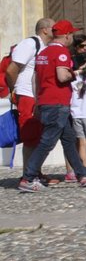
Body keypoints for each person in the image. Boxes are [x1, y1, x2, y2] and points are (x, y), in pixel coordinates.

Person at [18, 20, 86, 190]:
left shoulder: (43, 53)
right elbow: (62, 76)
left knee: (68, 140)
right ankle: (28, 178)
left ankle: (82, 175)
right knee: (47, 142)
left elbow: (35, 79)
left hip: (46, 101)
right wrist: (77, 72)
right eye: (72, 35)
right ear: (67, 35)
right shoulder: (61, 53)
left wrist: (38, 102)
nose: (72, 38)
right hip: (57, 103)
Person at [8, 17, 54, 172]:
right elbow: (11, 69)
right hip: (27, 95)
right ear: (45, 29)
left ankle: (35, 172)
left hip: (37, 96)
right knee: (30, 136)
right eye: (53, 27)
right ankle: (28, 176)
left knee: (39, 137)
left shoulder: (43, 46)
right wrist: (14, 89)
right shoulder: (29, 44)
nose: (56, 30)